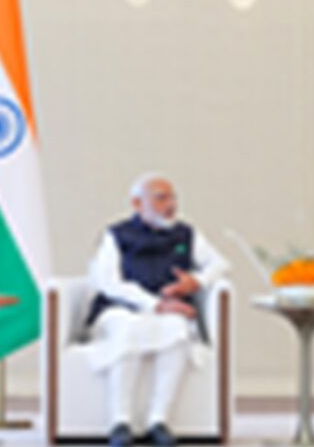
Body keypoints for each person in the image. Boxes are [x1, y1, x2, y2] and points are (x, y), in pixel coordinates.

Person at [85, 172, 229, 447]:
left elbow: (219, 263)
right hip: (121, 309)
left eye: (173, 198)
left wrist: (196, 281)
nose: (171, 205)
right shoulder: (116, 235)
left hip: (170, 311)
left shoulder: (185, 234)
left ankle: (158, 421)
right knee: (128, 329)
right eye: (161, 198)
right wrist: (156, 305)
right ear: (137, 203)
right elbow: (108, 282)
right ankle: (120, 422)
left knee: (178, 329)